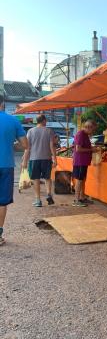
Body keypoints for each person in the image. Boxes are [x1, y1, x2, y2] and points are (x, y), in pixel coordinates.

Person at [0, 93, 28, 245]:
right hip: (6, 165)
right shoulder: (12, 120)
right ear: (3, 104)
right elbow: (24, 145)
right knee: (2, 202)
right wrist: (11, 146)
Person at [22, 114, 57, 207]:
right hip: (47, 158)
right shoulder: (49, 131)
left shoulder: (30, 131)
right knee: (47, 178)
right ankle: (49, 194)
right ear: (44, 120)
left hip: (34, 159)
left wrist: (24, 161)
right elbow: (52, 146)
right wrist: (55, 159)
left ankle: (38, 200)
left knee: (36, 179)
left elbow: (27, 148)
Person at [72, 120, 97, 207]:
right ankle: (76, 199)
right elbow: (78, 149)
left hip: (84, 161)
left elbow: (84, 147)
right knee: (79, 180)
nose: (93, 132)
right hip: (80, 161)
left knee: (82, 179)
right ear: (88, 127)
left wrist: (91, 148)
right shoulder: (80, 134)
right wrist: (91, 150)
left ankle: (82, 197)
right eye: (93, 130)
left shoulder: (85, 135)